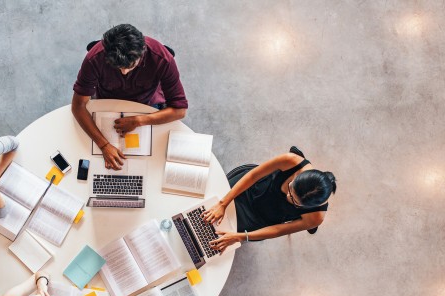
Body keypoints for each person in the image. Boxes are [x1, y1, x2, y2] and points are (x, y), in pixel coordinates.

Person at [71, 24, 188, 170]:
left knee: (147, 161)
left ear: (142, 52)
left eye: (130, 66)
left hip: (147, 104)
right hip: (106, 102)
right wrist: (104, 145)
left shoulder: (162, 59)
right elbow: (78, 106)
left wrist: (139, 120)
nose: (124, 72)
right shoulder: (94, 58)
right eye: (118, 67)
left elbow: (180, 110)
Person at [203, 147, 336, 251]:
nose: (288, 196)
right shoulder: (291, 161)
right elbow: (253, 176)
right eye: (291, 188)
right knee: (209, 205)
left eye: (295, 201)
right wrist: (223, 203)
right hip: (249, 188)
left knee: (215, 237)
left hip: (261, 218)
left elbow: (278, 230)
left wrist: (239, 237)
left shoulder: (316, 217)